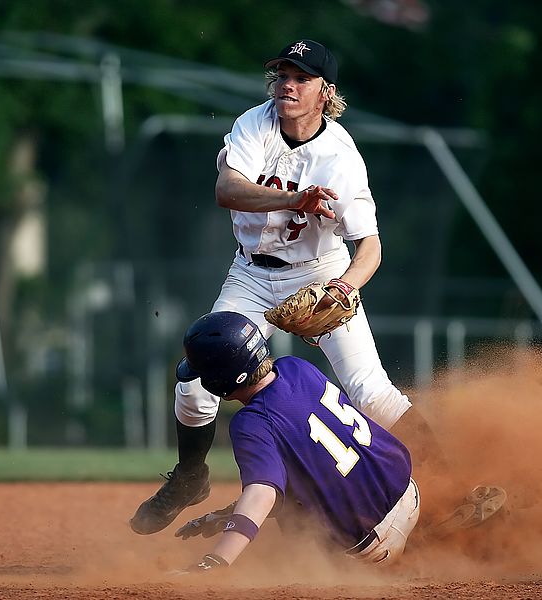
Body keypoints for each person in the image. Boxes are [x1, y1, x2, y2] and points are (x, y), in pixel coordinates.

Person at [130, 38, 500, 536]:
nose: (287, 85)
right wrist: (298, 200)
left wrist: (343, 289)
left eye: (301, 78)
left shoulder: (340, 157)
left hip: (319, 272)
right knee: (196, 381)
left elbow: (370, 247)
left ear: (325, 91)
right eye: (282, 75)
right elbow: (226, 190)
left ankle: (459, 491)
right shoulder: (254, 124)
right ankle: (190, 476)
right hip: (251, 275)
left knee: (372, 393)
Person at [166, 311, 420, 572]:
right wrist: (228, 515)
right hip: (409, 494)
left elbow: (262, 493)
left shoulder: (250, 422)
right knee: (295, 475)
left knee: (292, 521)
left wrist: (216, 561)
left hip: (372, 546)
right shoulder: (295, 367)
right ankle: (427, 537)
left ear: (219, 381)